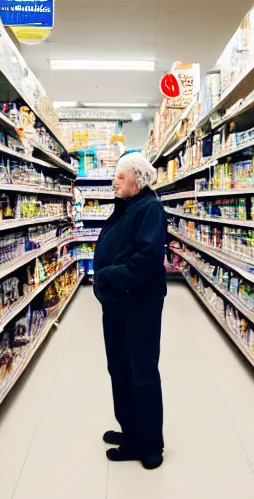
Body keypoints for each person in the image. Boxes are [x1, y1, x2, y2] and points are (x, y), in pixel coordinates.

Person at [93, 152, 167, 470]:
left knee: (142, 372)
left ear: (136, 181)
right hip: (118, 304)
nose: (114, 182)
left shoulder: (150, 209)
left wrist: (108, 276)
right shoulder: (126, 206)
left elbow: (147, 259)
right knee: (119, 369)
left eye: (120, 178)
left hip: (140, 305)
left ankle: (149, 444)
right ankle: (130, 431)